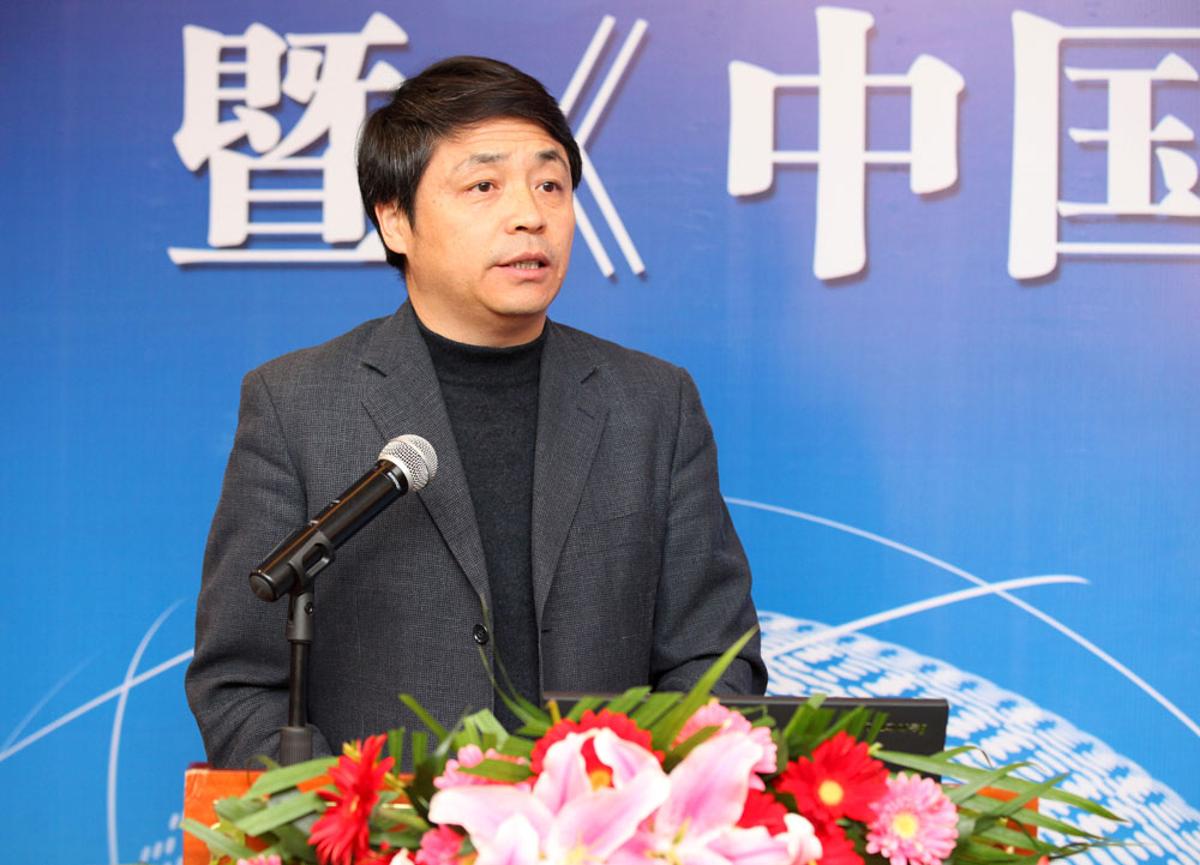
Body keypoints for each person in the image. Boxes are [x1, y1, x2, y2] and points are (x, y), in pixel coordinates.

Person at [186, 56, 765, 768]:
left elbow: (714, 661)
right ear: (395, 220)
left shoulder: (652, 403)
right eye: (484, 186)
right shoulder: (297, 403)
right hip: (379, 824)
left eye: (551, 184)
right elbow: (241, 683)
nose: (530, 215)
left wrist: (641, 805)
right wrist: (347, 816)